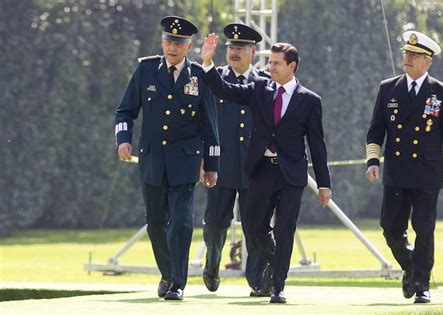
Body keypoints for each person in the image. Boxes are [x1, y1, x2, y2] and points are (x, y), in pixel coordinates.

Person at [201, 33, 332, 303]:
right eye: (269, 62)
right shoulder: (260, 88)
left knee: (285, 228)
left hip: (291, 175)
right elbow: (226, 90)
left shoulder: (310, 100)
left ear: (292, 66)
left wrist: (323, 184)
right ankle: (277, 261)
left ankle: (278, 286)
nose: (270, 67)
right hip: (261, 171)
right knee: (255, 226)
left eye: (276, 64)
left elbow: (317, 146)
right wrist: (207, 63)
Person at [115, 16, 220, 301]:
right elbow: (125, 111)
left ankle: (177, 283)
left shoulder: (199, 76)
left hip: (185, 161)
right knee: (155, 222)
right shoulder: (146, 70)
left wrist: (212, 166)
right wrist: (123, 139)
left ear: (188, 47)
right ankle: (167, 272)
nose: (172, 47)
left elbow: (211, 125)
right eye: (169, 41)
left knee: (182, 222)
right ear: (162, 43)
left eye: (179, 43)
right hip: (152, 160)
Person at [366, 31, 443, 304]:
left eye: (414, 55)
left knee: (424, 228)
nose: (407, 58)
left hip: (427, 173)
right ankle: (411, 267)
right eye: (406, 53)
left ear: (427, 61)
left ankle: (422, 284)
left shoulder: (442, 93)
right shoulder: (388, 88)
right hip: (396, 171)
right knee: (390, 227)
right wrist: (373, 160)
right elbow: (375, 131)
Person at [201, 23, 271, 297]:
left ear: (253, 52)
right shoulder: (213, 77)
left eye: (241, 48)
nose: (234, 52)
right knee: (216, 222)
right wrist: (204, 160)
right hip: (221, 164)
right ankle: (212, 265)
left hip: (254, 167)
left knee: (256, 225)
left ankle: (256, 279)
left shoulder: (264, 82)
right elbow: (202, 120)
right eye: (231, 47)